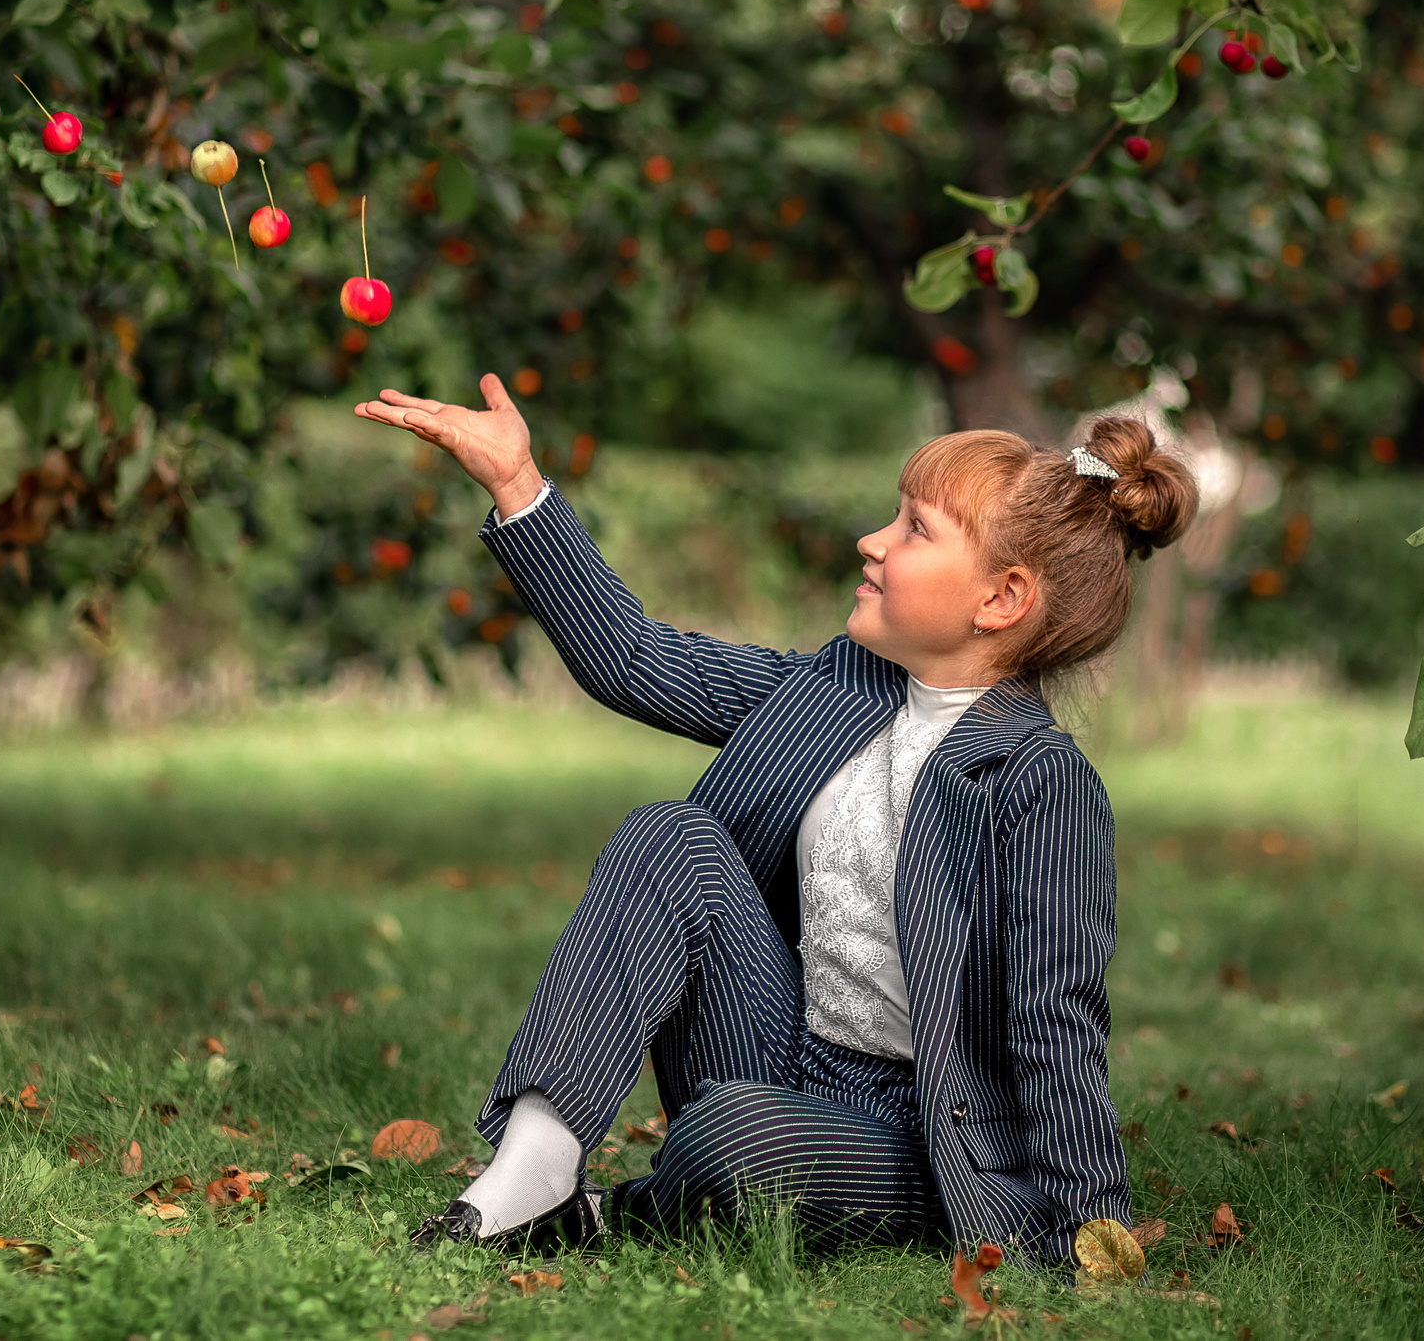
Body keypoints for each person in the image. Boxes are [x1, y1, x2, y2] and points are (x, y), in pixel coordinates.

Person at [351, 375, 1198, 1269]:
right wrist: (517, 482)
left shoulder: (1040, 780)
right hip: (777, 1045)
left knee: (730, 1136)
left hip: (922, 1134)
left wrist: (1092, 1228)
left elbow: (1056, 1018)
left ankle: (622, 1209)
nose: (873, 540)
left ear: (1001, 599)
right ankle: (533, 1173)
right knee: (669, 836)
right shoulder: (834, 688)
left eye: (915, 529)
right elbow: (634, 659)